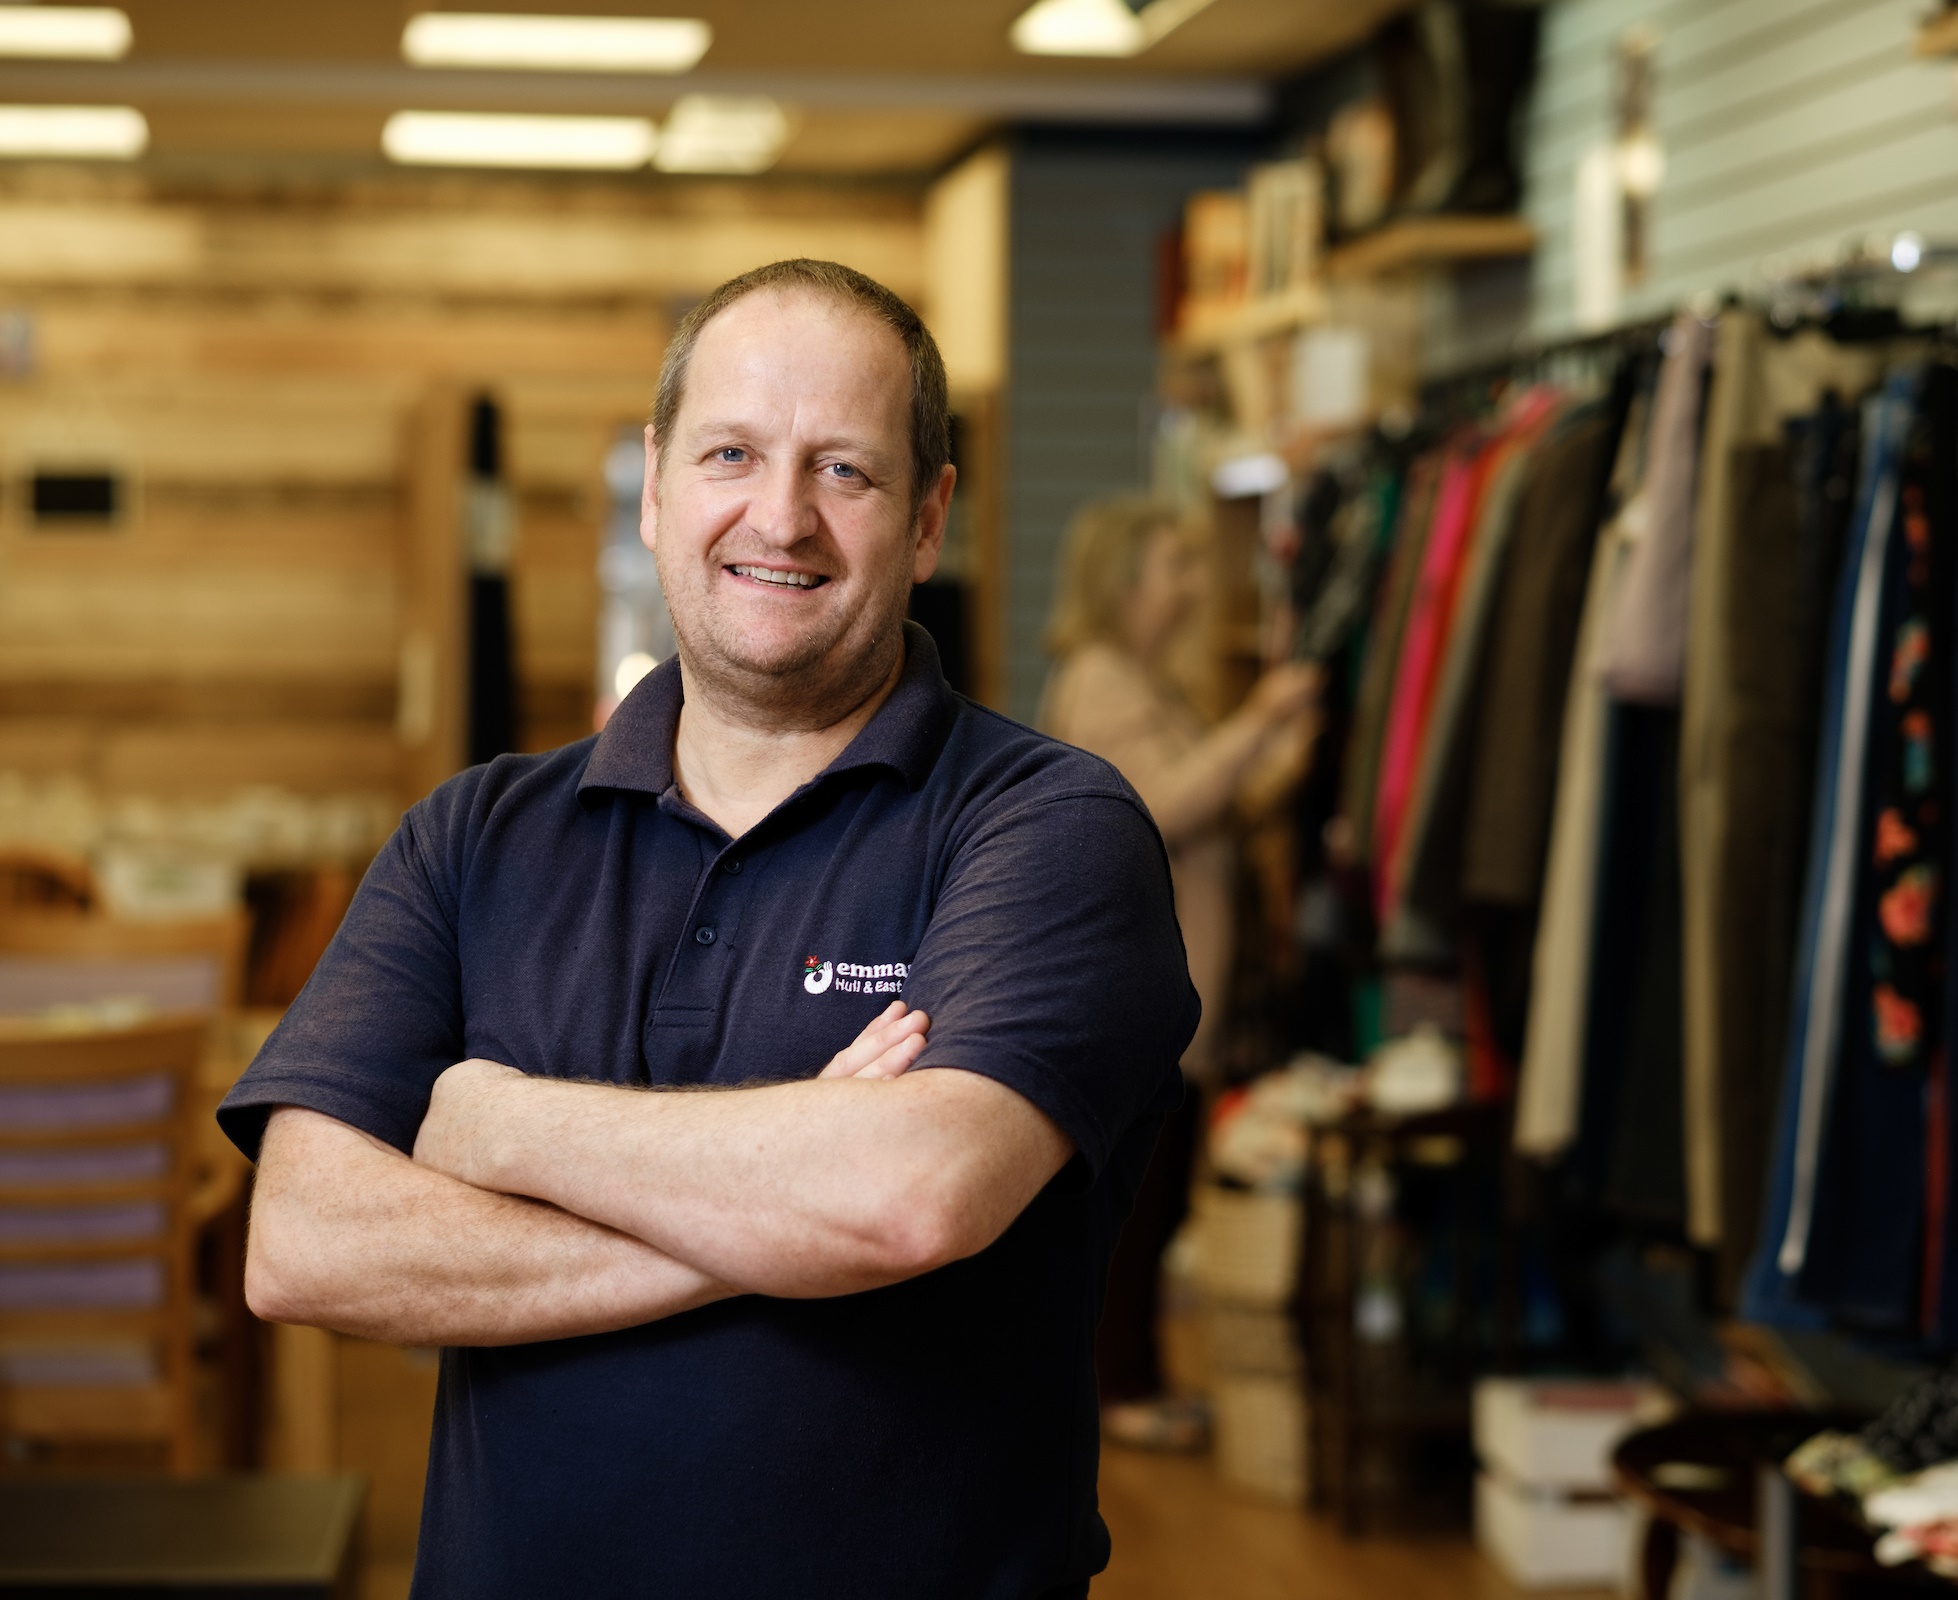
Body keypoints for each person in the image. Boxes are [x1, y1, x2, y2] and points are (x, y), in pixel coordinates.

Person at [223, 259, 1199, 1600]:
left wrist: (498, 1125)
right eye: (732, 452)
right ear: (658, 481)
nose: (780, 517)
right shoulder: (473, 835)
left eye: (843, 471)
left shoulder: (1049, 828)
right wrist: (789, 1210)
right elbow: (303, 1243)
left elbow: (910, 1195)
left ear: (929, 516)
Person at [1038, 498, 1319, 1448]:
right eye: (1175, 567)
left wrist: (1286, 750)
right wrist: (1258, 720)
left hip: (1177, 986)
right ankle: (1120, 1394)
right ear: (1125, 584)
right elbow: (1158, 806)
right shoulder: (1104, 680)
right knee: (1138, 1209)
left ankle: (1135, 1382)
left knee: (1153, 1203)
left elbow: (1225, 806)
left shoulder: (1148, 681)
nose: (1193, 586)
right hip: (1144, 993)